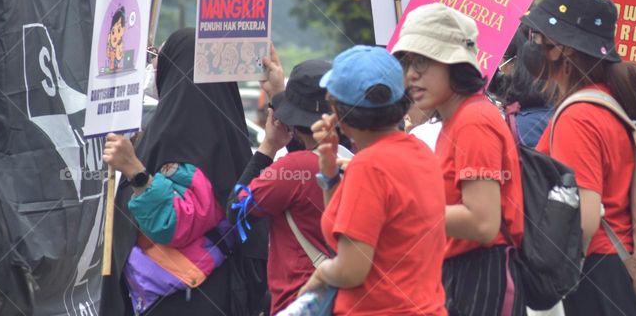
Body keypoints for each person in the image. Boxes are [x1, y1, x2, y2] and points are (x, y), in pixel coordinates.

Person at [100, 28, 267, 316]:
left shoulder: (182, 135)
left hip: (181, 299)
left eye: (158, 57)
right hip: (213, 292)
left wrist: (135, 171)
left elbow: (174, 224)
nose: (153, 66)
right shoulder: (224, 130)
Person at [523, 0, 636, 315]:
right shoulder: (606, 100)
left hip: (594, 276)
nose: (531, 46)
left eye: (537, 38)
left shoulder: (578, 116)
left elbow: (584, 217)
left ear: (561, 50)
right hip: (618, 271)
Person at [391, 3, 525, 316]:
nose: (411, 75)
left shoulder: (473, 121)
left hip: (482, 276)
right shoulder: (459, 120)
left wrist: (401, 209)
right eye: (407, 63)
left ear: (454, 64)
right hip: (464, 275)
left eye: (423, 61)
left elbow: (482, 222)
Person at [301, 45, 447, 315]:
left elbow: (351, 270)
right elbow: (345, 230)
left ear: (339, 112)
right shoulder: (419, 152)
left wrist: (319, 275)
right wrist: (330, 172)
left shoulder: (369, 167)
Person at [227, 51, 332, 315]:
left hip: (299, 299)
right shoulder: (355, 157)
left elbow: (237, 209)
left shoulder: (293, 169)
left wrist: (268, 146)